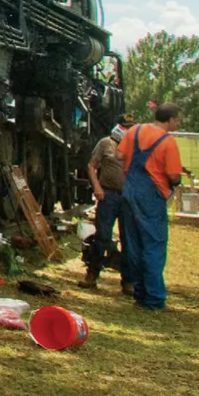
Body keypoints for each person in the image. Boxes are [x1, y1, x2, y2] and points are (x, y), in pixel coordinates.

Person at [117, 104, 183, 311]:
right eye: (178, 119)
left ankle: (140, 293)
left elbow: (119, 156)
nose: (178, 123)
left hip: (129, 191)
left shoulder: (134, 130)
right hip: (151, 195)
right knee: (153, 245)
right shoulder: (168, 142)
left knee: (133, 244)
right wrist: (173, 181)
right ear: (170, 119)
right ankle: (154, 298)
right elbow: (173, 175)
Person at [79, 117, 135, 293]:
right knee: (102, 236)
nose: (127, 131)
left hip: (127, 198)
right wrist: (97, 187)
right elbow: (91, 166)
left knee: (128, 239)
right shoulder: (105, 143)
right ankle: (92, 274)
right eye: (125, 127)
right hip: (108, 195)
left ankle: (128, 281)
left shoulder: (135, 146)